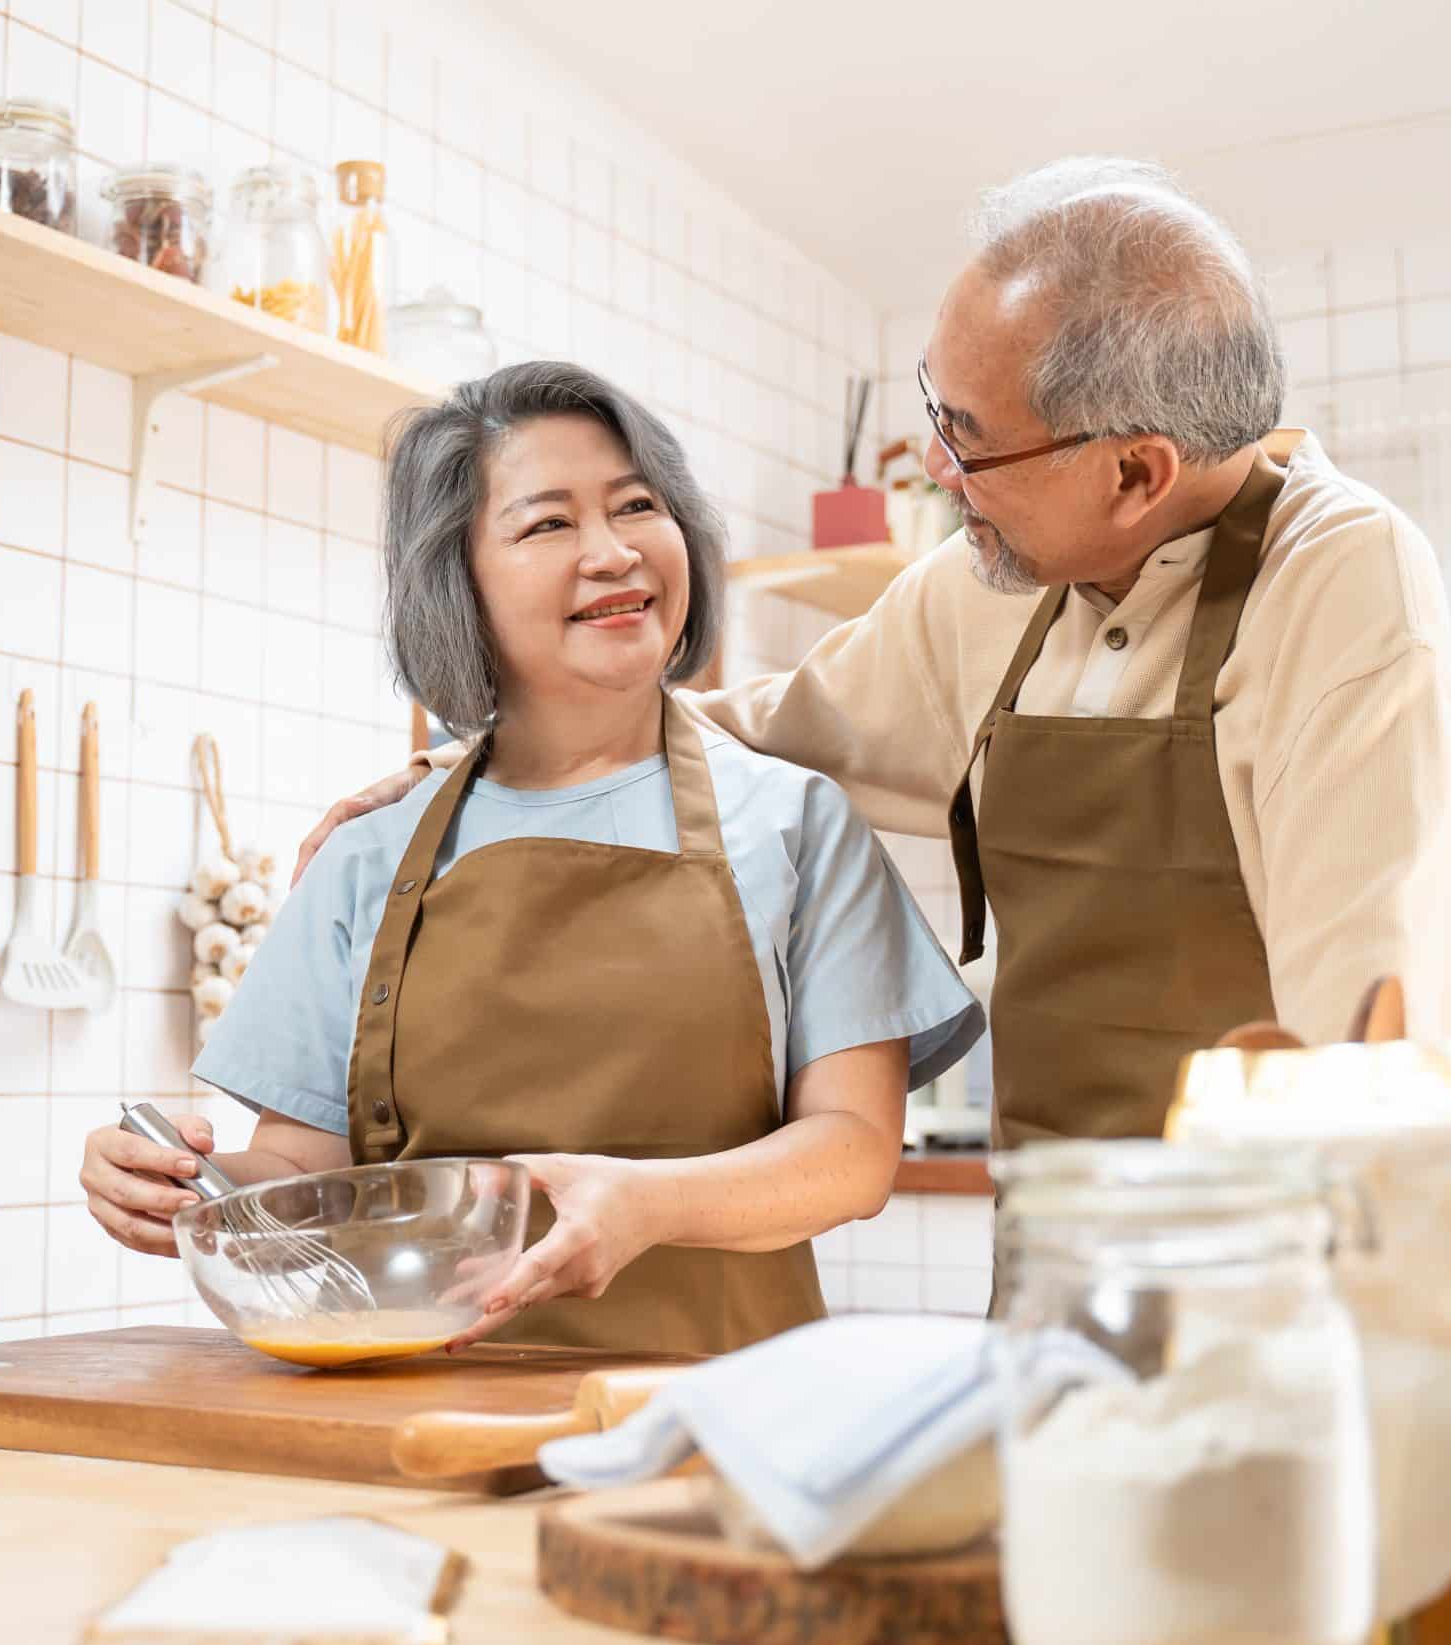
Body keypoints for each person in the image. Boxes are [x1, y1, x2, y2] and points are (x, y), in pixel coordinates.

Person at [294, 157, 1451, 1156]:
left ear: (1135, 473)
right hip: (1055, 1234)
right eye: (934, 408)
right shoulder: (988, 585)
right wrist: (464, 764)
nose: (940, 474)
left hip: (1271, 1262)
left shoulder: (1340, 582)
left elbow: (1363, 1036)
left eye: (970, 440)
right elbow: (757, 725)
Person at [80, 361, 982, 1356]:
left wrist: (649, 1204)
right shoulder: (366, 855)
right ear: (455, 581)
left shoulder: (796, 822)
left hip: (713, 1416)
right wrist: (178, 1186)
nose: (612, 553)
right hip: (414, 1407)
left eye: (637, 507)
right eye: (547, 523)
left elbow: (852, 1155)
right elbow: (301, 1171)